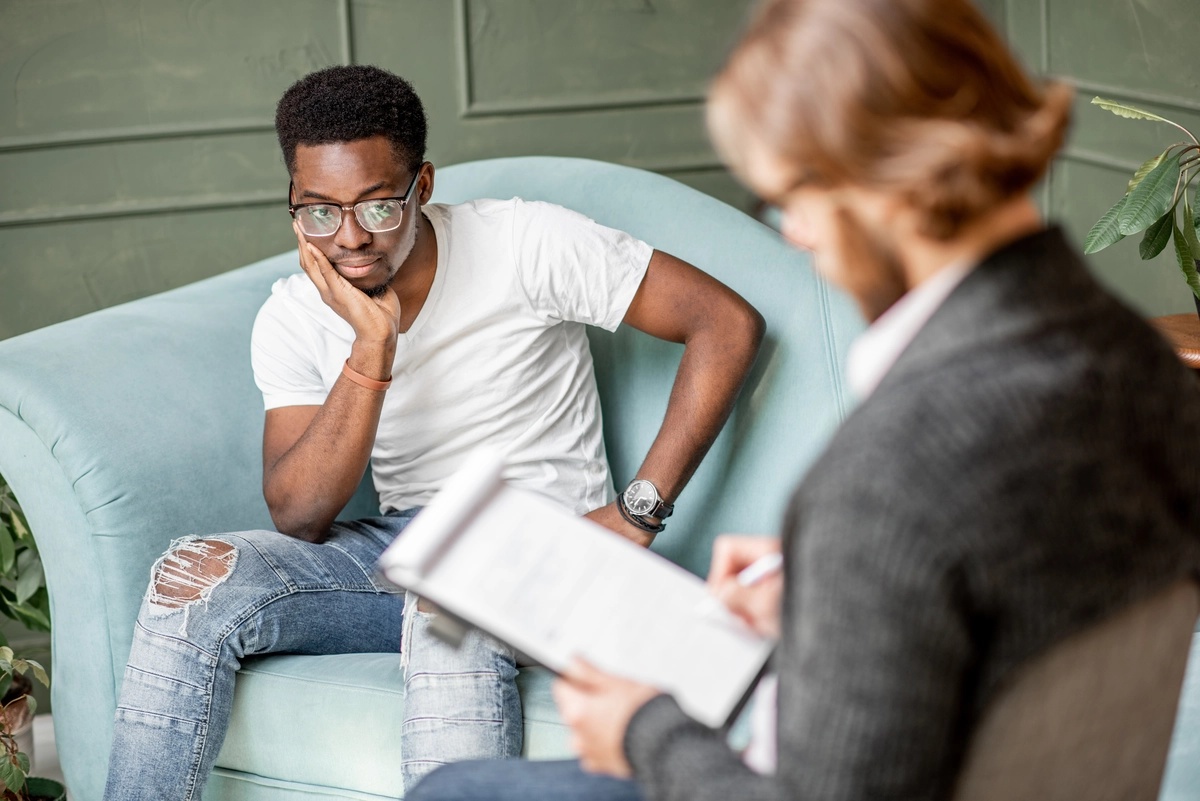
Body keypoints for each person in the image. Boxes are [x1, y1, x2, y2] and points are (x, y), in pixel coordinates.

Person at [407, 0, 1200, 799]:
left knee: (456, 790)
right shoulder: (1141, 362)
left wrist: (642, 726)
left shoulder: (892, 463)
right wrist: (833, 595)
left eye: (792, 197)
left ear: (882, 184)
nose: (794, 234)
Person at [102, 64, 765, 801]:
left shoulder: (524, 241)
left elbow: (725, 322)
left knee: (453, 594)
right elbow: (299, 513)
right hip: (406, 548)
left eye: (377, 206)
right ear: (293, 201)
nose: (348, 237)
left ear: (421, 186)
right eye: (318, 211)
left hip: (543, 545)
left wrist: (640, 508)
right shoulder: (292, 313)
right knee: (190, 579)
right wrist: (370, 349)